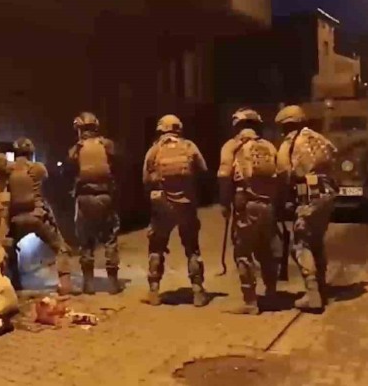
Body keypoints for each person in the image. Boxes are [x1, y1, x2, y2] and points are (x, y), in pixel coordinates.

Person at [142, 114, 209, 307]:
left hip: (162, 206)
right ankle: (198, 291)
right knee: (192, 249)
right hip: (186, 205)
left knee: (156, 247)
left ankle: (154, 291)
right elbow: (203, 170)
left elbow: (145, 179)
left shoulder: (155, 150)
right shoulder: (189, 146)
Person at [275, 105, 337, 311]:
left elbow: (283, 173)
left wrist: (283, 199)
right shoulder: (319, 138)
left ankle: (312, 294)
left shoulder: (290, 142)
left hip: (309, 195)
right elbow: (334, 158)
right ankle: (321, 286)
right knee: (316, 241)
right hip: (327, 193)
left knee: (301, 244)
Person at [218, 108, 279, 315]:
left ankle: (250, 302)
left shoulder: (232, 146)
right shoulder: (269, 146)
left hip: (246, 207)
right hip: (268, 207)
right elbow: (280, 175)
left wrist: (224, 204)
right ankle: (271, 294)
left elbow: (224, 176)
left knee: (243, 253)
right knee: (266, 251)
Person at [0, 137, 73, 295]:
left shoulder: (9, 169)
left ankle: (15, 283)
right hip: (37, 217)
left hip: (16, 220)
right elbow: (46, 181)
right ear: (31, 152)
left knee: (10, 248)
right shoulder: (37, 168)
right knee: (60, 247)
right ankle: (65, 285)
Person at [67, 112, 120, 294]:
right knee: (110, 239)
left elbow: (69, 170)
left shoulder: (76, 149)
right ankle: (113, 283)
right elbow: (116, 165)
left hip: (84, 199)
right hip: (105, 197)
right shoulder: (107, 145)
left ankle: (88, 284)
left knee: (86, 241)